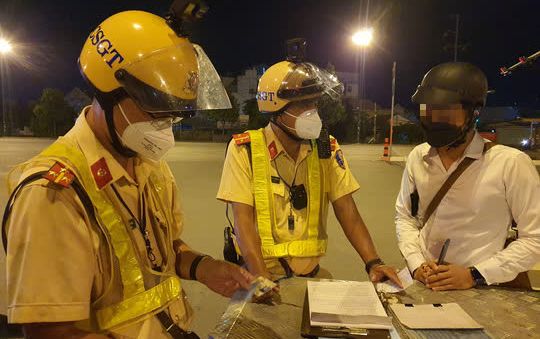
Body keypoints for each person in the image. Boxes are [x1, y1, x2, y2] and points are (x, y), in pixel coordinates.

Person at [2, 10, 253, 338]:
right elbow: (50, 331)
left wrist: (203, 267)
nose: (166, 123)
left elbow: (159, 250)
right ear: (109, 95)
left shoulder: (150, 165)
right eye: (158, 108)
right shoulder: (53, 194)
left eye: (175, 113)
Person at [216, 58, 401, 286]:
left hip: (313, 278)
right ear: (277, 110)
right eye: (303, 105)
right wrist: (261, 279)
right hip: (261, 278)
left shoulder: (327, 148)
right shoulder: (245, 149)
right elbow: (242, 221)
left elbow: (347, 211)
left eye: (314, 103)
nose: (312, 112)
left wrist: (373, 262)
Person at [395, 62, 540, 291]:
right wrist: (416, 264)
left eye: (446, 110)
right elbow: (406, 218)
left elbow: (535, 239)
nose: (435, 118)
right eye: (428, 109)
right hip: (425, 286)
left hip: (484, 291)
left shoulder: (510, 163)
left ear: (474, 112)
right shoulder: (418, 157)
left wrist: (475, 275)